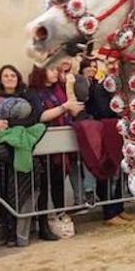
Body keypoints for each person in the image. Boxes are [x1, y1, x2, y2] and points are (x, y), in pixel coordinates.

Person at [0, 65, 43, 247]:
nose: (9, 78)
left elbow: (35, 116)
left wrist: (8, 124)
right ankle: (5, 230)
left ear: (18, 77)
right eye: (5, 75)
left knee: (18, 186)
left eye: (12, 75)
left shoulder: (27, 94)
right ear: (0, 79)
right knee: (2, 188)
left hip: (20, 145)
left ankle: (20, 231)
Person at [28, 65, 85, 241]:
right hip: (44, 143)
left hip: (61, 143)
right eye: (52, 69)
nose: (55, 73)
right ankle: (43, 225)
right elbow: (41, 116)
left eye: (57, 70)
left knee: (59, 181)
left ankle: (60, 215)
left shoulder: (58, 89)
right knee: (44, 186)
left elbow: (74, 108)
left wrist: (69, 88)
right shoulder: (33, 92)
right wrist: (63, 107)